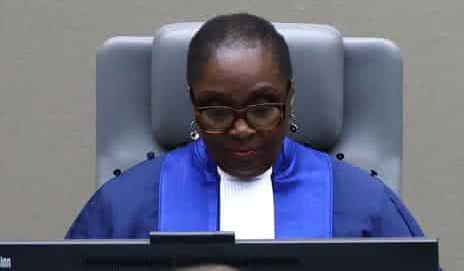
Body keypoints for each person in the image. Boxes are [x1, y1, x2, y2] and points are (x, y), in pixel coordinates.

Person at [68, 13, 425, 239]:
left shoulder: (365, 207)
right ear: (194, 105)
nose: (241, 129)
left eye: (262, 108)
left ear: (290, 99)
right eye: (219, 111)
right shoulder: (122, 208)